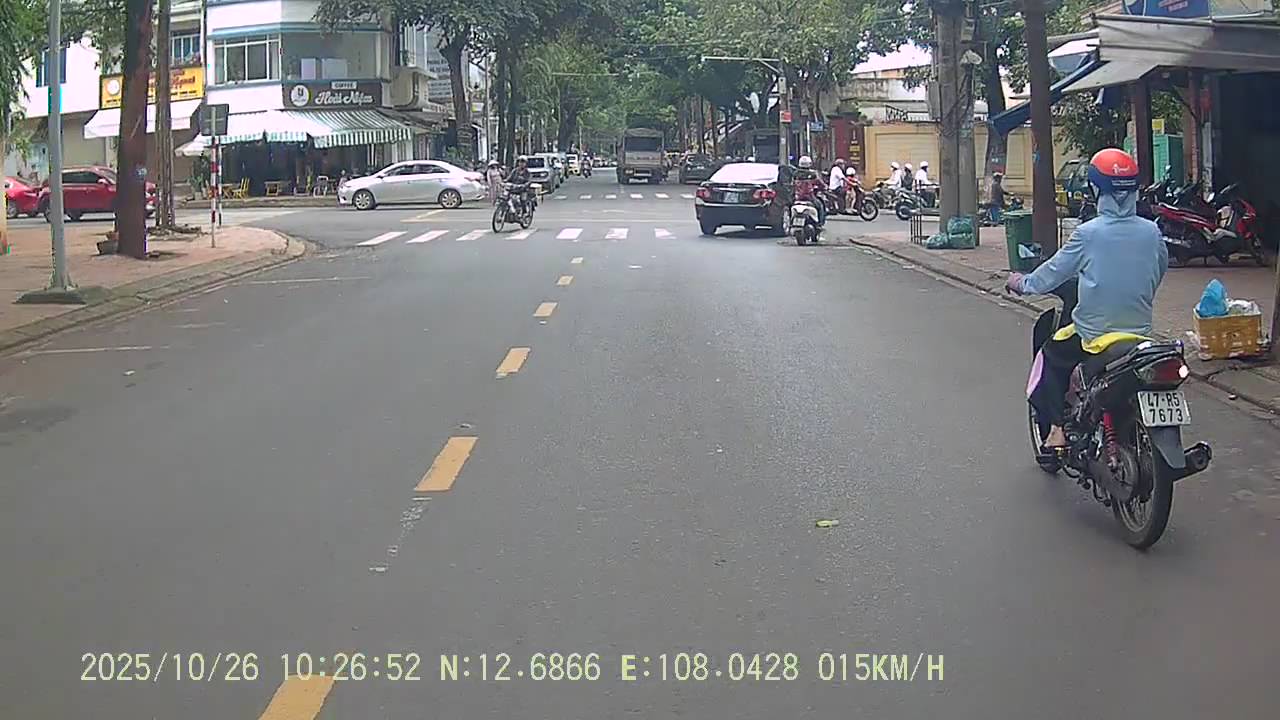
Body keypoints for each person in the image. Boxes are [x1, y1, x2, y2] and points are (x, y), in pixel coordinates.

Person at [1005, 148, 1167, 449]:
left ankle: (1056, 430)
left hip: (1095, 335)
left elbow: (1053, 273)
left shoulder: (1088, 234)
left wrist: (1022, 282)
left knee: (1050, 356)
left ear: (1095, 190)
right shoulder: (1152, 232)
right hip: (1140, 334)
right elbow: (1156, 273)